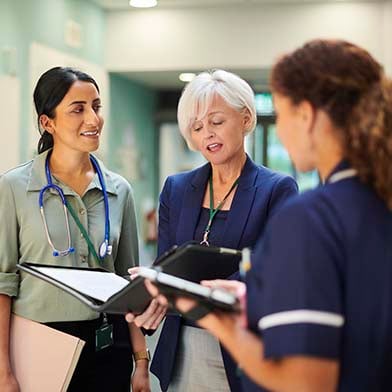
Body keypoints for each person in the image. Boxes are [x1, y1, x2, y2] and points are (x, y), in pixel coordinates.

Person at [148, 39, 392, 391]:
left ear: (305, 115)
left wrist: (211, 315)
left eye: (281, 113)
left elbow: (305, 382)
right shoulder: (375, 202)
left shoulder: (314, 217)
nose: (278, 130)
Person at [128, 69, 298, 392]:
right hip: (180, 349)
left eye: (217, 121)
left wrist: (192, 293)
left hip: (242, 346)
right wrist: (152, 294)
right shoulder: (176, 189)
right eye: (197, 126)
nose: (208, 134)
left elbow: (274, 271)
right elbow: (167, 266)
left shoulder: (277, 189)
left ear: (246, 119)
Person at [0, 67, 151, 392]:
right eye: (78, 109)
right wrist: (3, 372)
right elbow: (3, 284)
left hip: (109, 343)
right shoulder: (13, 188)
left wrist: (141, 361)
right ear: (47, 122)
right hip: (39, 344)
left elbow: (129, 282)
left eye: (96, 106)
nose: (93, 120)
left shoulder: (119, 190)